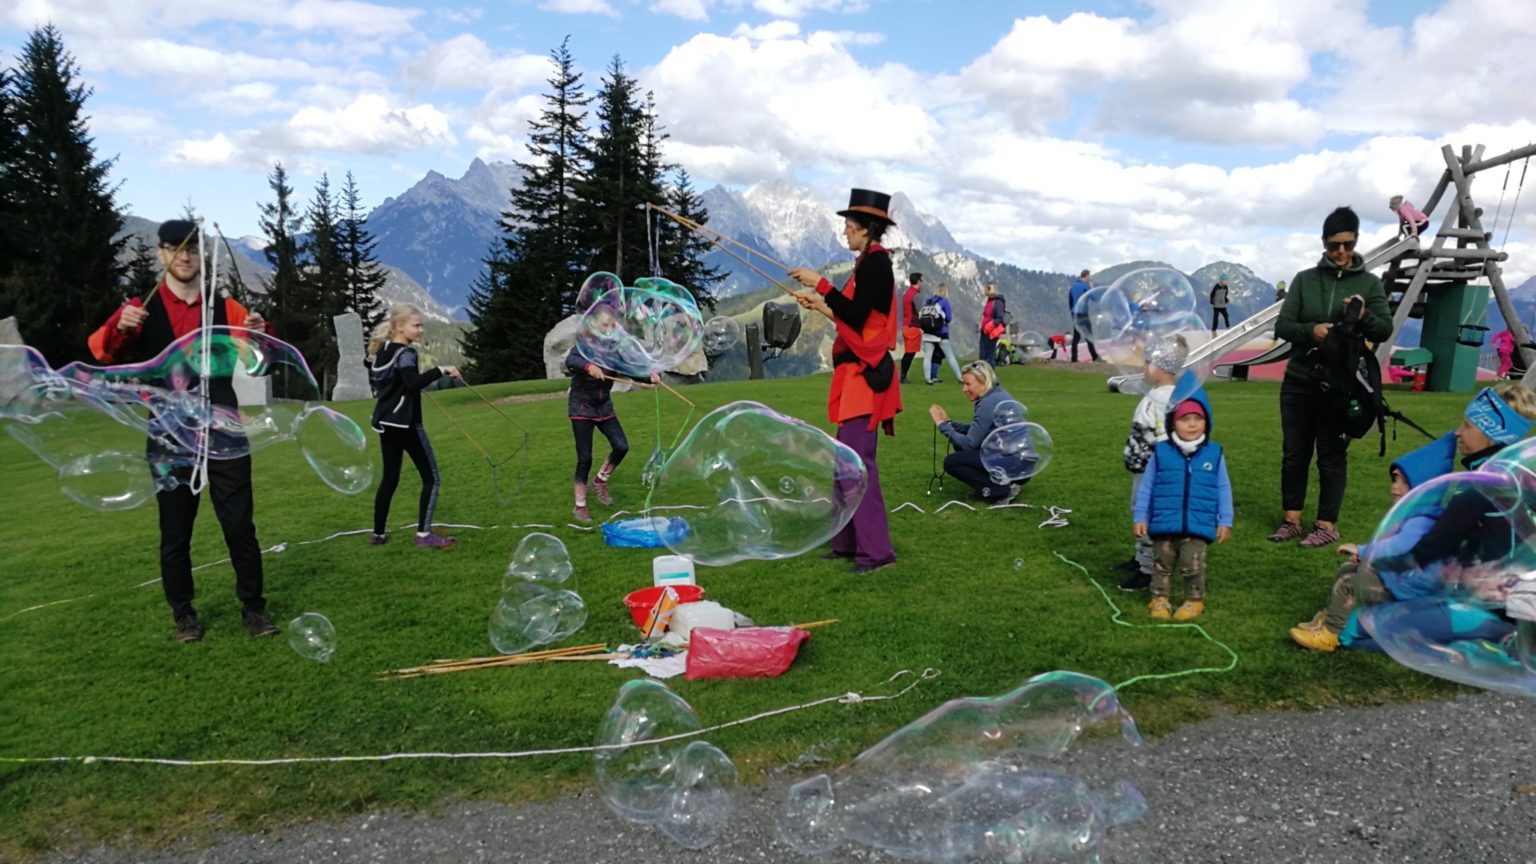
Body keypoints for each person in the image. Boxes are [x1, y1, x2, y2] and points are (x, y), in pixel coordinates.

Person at [86, 219, 278, 643]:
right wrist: (121, 323)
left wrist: (262, 337)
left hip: (224, 428)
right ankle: (184, 616)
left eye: (191, 248)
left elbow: (260, 363)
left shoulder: (226, 308)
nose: (185, 256)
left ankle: (253, 609)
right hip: (169, 432)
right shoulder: (141, 308)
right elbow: (99, 350)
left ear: (201, 254)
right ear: (161, 254)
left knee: (240, 525)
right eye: (175, 248)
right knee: (175, 532)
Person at [1293, 385, 1536, 652]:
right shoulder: (1517, 480)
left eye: (1467, 425)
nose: (1458, 432)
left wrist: (1372, 558)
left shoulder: (1477, 489)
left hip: (1481, 608)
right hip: (1504, 603)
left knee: (1351, 630)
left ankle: (1490, 641)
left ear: (1492, 434)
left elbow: (1426, 551)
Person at [789, 188, 901, 573]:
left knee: (858, 466)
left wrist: (822, 286)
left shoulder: (876, 266)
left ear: (868, 229)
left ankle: (877, 552)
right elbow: (852, 316)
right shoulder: (867, 264)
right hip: (852, 378)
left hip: (864, 380)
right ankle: (847, 544)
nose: (845, 232)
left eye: (849, 226)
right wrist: (821, 304)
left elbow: (857, 318)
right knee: (844, 464)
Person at [1271, 206, 1393, 549]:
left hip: (1342, 385)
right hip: (1299, 380)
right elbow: (1282, 325)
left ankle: (1326, 524)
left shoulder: (1369, 283)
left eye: (1348, 244)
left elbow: (1384, 328)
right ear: (1324, 243)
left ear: (1356, 242)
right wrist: (1313, 331)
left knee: (1332, 454)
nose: (1341, 252)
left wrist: (1365, 314)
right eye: (1334, 245)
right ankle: (1291, 520)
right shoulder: (1305, 280)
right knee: (1294, 452)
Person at [368, 304, 462, 548]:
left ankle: (377, 534)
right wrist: (440, 370)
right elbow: (412, 383)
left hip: (386, 423)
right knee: (432, 478)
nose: (421, 330)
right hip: (406, 424)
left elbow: (392, 382)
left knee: (390, 478)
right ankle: (424, 536)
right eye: (416, 325)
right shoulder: (406, 353)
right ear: (400, 327)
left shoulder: (384, 351)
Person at [1133, 395, 1233, 621]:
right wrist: (1140, 516)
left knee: (1193, 564)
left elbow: (1223, 488)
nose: (1192, 424)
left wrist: (1225, 520)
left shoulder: (1214, 453)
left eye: (1198, 419)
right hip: (1164, 520)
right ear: (1172, 424)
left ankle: (1193, 601)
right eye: (1185, 419)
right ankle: (1159, 598)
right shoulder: (1161, 452)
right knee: (1162, 563)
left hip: (1198, 523)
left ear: (1206, 422)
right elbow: (1146, 487)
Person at [563, 307, 657, 524]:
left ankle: (599, 481)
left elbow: (631, 369)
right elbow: (571, 360)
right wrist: (588, 366)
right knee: (584, 458)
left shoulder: (614, 350)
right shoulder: (584, 345)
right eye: (605, 324)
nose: (609, 329)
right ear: (594, 325)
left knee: (621, 446)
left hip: (603, 406)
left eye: (612, 325)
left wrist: (648, 378)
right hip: (581, 408)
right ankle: (580, 507)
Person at [1118, 335, 1189, 592]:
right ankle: (1140, 559)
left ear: (1160, 366)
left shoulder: (1165, 400)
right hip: (1142, 469)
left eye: (1147, 362)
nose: (1142, 367)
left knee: (1146, 515)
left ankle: (1148, 570)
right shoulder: (1159, 396)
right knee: (1137, 510)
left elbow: (1164, 440)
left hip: (1152, 473)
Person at [928, 360, 1022, 504]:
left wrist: (941, 425)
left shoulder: (987, 403)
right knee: (959, 447)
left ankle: (999, 491)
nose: (964, 389)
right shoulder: (996, 394)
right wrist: (949, 423)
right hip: (1018, 460)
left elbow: (968, 444)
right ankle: (1004, 482)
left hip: (1011, 461)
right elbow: (979, 430)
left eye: (968, 384)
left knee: (951, 462)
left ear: (983, 382)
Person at [919, 283, 964, 385]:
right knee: (950, 356)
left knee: (928, 356)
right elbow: (948, 318)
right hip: (940, 333)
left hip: (927, 333)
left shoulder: (928, 302)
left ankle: (928, 378)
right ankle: (960, 377)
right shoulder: (944, 302)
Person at [1068, 269, 1101, 362]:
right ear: (1086, 276)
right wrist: (1092, 287)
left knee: (1076, 336)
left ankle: (1074, 358)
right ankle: (1094, 356)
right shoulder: (1086, 286)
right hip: (1083, 313)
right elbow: (1095, 298)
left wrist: (1072, 312)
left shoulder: (1073, 286)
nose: (1090, 278)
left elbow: (1070, 301)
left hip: (1074, 313)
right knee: (1088, 334)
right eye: (1089, 276)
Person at [899, 272, 923, 383]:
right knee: (910, 353)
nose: (923, 283)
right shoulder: (915, 295)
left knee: (909, 352)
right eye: (922, 280)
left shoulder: (907, 294)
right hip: (912, 326)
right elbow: (921, 311)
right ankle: (903, 377)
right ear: (918, 281)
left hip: (905, 325)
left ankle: (903, 376)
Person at [978, 282, 1006, 365]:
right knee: (983, 355)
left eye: (986, 289)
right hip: (984, 331)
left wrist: (990, 325)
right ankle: (983, 374)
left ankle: (990, 374)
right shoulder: (989, 301)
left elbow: (1000, 317)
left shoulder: (998, 302)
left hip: (991, 332)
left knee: (989, 355)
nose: (984, 291)